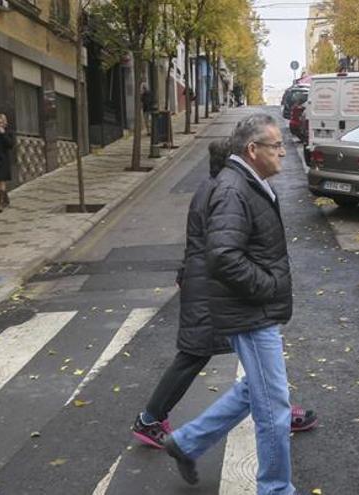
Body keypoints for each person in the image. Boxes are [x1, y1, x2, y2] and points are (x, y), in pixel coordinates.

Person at [132, 140, 317, 450]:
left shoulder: (215, 187)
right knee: (200, 353)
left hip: (208, 285)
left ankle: (278, 410)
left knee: (254, 352)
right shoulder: (225, 191)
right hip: (213, 288)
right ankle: (150, 419)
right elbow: (224, 249)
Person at [163, 114, 295, 494]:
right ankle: (275, 489)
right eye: (275, 145)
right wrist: (267, 286)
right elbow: (223, 256)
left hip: (253, 309)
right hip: (250, 312)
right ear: (253, 150)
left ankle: (186, 442)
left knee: (255, 391)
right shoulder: (234, 189)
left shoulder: (246, 183)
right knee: (274, 408)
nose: (283, 151)